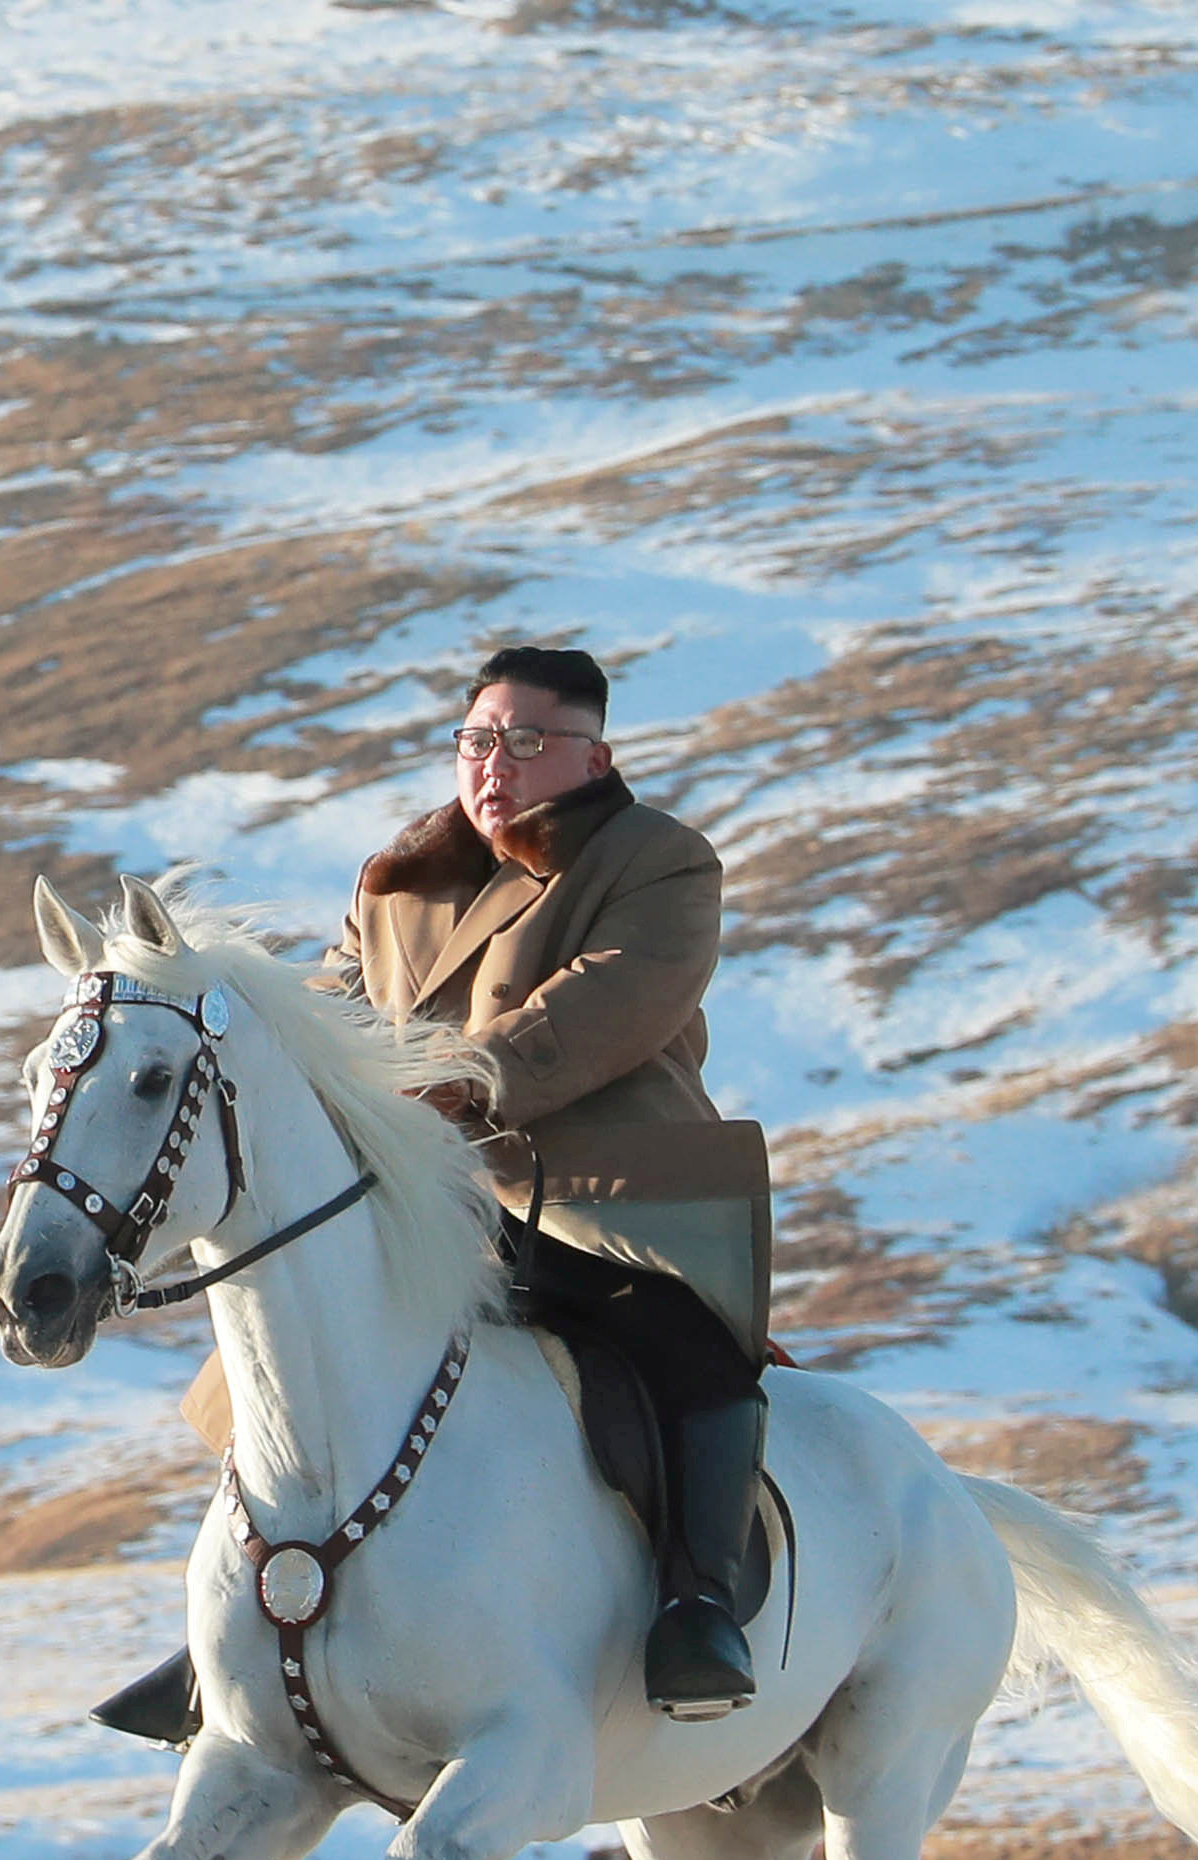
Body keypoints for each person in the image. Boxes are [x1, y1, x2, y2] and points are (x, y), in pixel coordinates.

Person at [93, 643, 773, 1747]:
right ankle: (248, 1623)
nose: (492, 764)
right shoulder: (395, 878)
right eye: (474, 739)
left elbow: (607, 1003)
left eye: (525, 742)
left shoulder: (658, 862)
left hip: (598, 1191)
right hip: (427, 1197)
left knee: (684, 1351)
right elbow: (330, 1013)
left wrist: (457, 1077)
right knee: (276, 1366)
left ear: (592, 754)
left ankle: (697, 1605)